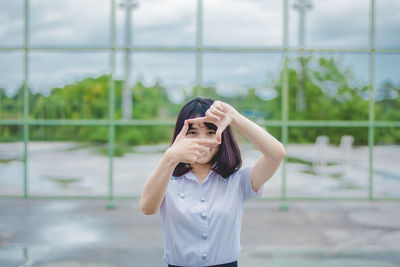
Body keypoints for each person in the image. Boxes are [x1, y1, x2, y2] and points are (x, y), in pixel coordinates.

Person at [140, 97, 285, 267]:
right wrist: (170, 157)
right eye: (193, 132)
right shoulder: (168, 177)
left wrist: (234, 117)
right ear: (181, 135)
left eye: (210, 132)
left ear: (223, 134)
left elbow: (276, 154)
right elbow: (148, 208)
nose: (203, 140)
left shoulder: (237, 180)